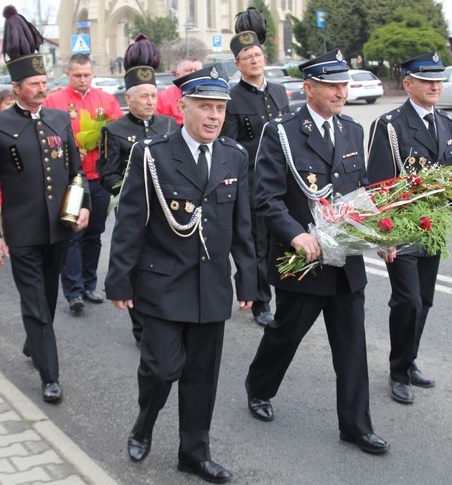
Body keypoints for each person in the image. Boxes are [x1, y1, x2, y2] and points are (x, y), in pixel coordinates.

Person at [106, 64, 256, 483]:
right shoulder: (152, 155)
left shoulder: (234, 156)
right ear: (183, 108)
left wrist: (249, 280)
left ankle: (194, 452)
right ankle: (144, 424)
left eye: (220, 109)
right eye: (205, 107)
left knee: (201, 376)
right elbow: (131, 223)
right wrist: (119, 280)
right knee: (160, 368)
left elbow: (242, 227)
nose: (213, 116)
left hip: (210, 286)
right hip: (162, 282)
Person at [244, 49, 390, 455]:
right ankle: (259, 387)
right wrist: (294, 235)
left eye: (344, 85)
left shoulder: (351, 130)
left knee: (351, 345)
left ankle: (356, 426)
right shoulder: (283, 132)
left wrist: (381, 237)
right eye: (332, 85)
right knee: (286, 334)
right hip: (305, 260)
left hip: (346, 261)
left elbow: (360, 194)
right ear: (309, 88)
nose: (341, 92)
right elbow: (266, 197)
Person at [0, 5, 90, 404]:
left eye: (44, 82)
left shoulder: (59, 119)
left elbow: (76, 170)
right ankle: (50, 376)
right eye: (35, 84)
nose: (42, 88)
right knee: (35, 303)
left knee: (50, 297)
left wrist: (83, 205)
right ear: (18, 86)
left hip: (59, 227)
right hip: (22, 233)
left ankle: (33, 344)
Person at [367, 52, 452, 405]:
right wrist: (383, 236)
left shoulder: (446, 124)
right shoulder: (391, 125)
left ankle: (409, 360)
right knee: (408, 301)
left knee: (424, 301)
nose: (434, 86)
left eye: (438, 80)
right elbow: (378, 185)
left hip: (434, 225)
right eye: (426, 80)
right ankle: (398, 372)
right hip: (401, 228)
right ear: (408, 83)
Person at [97, 33, 177, 346]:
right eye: (143, 96)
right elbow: (106, 174)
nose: (149, 101)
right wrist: (127, 189)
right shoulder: (113, 130)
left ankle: (162, 313)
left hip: (166, 210)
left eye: (153, 95)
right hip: (133, 210)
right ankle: (139, 324)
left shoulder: (169, 126)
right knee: (134, 264)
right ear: (128, 98)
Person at [221, 7, 290, 327]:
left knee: (287, 238)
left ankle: (288, 291)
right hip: (250, 184)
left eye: (257, 53)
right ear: (238, 64)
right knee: (258, 244)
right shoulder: (231, 99)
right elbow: (230, 148)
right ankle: (261, 302)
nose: (254, 59)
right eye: (246, 56)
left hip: (284, 180)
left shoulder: (278, 92)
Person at [44, 54, 123, 313]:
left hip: (99, 177)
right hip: (72, 181)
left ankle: (90, 284)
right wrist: (68, 151)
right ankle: (73, 291)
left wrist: (104, 145)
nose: (82, 79)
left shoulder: (106, 100)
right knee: (73, 233)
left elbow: (119, 132)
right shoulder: (54, 101)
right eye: (77, 75)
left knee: (94, 233)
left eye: (86, 75)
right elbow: (44, 138)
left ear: (93, 73)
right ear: (68, 74)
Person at [156, 57, 202, 125]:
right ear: (178, 75)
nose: (193, 73)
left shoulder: (210, 96)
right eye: (188, 70)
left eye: (196, 70)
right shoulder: (163, 98)